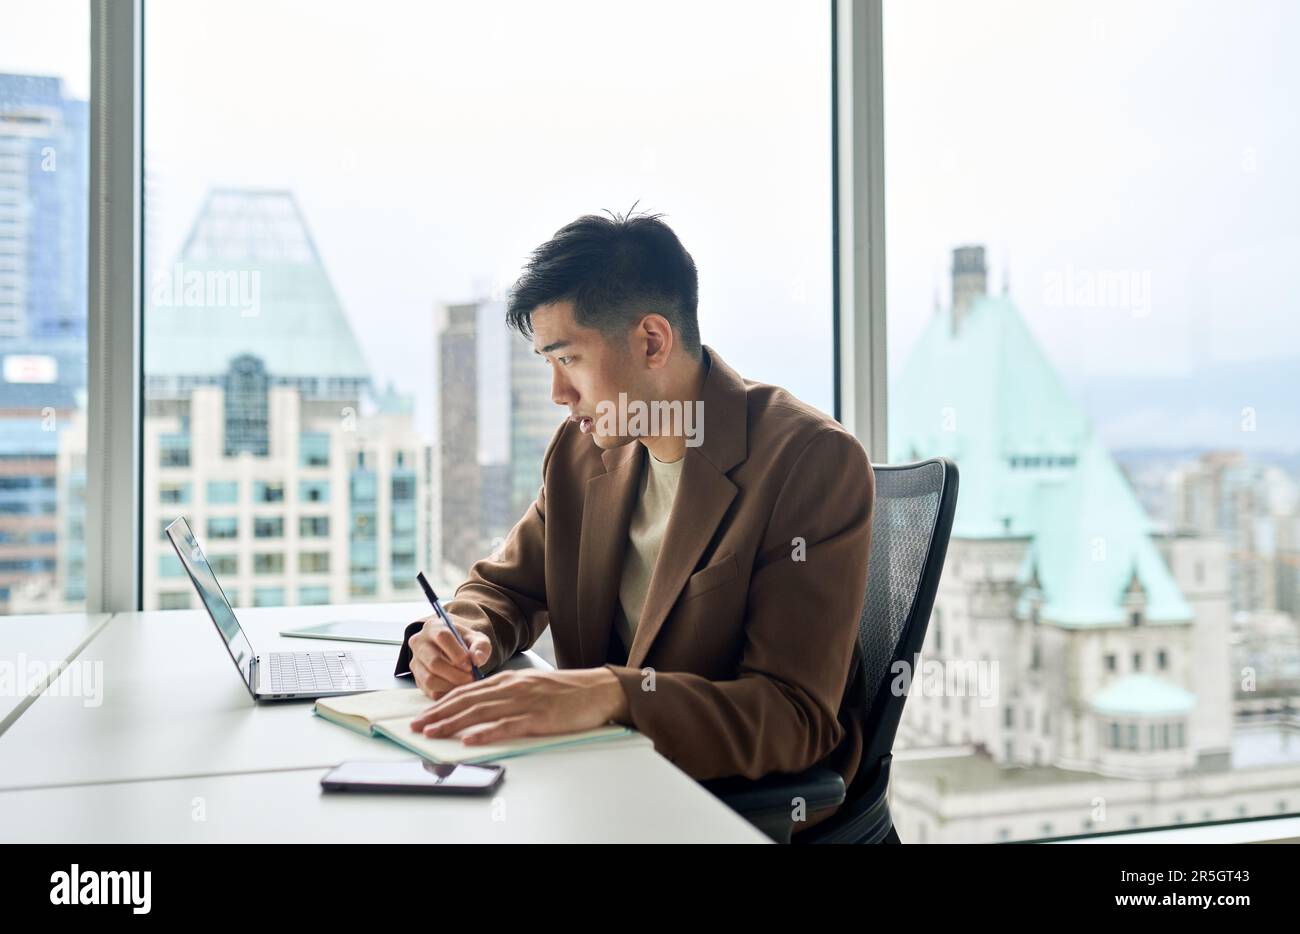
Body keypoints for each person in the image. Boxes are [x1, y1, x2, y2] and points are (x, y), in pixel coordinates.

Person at [399, 208, 875, 829]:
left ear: (652, 340)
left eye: (567, 359)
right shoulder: (582, 452)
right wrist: (459, 634)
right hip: (600, 794)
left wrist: (612, 695)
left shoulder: (809, 460)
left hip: (727, 814)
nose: (557, 394)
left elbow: (792, 716)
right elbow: (504, 587)